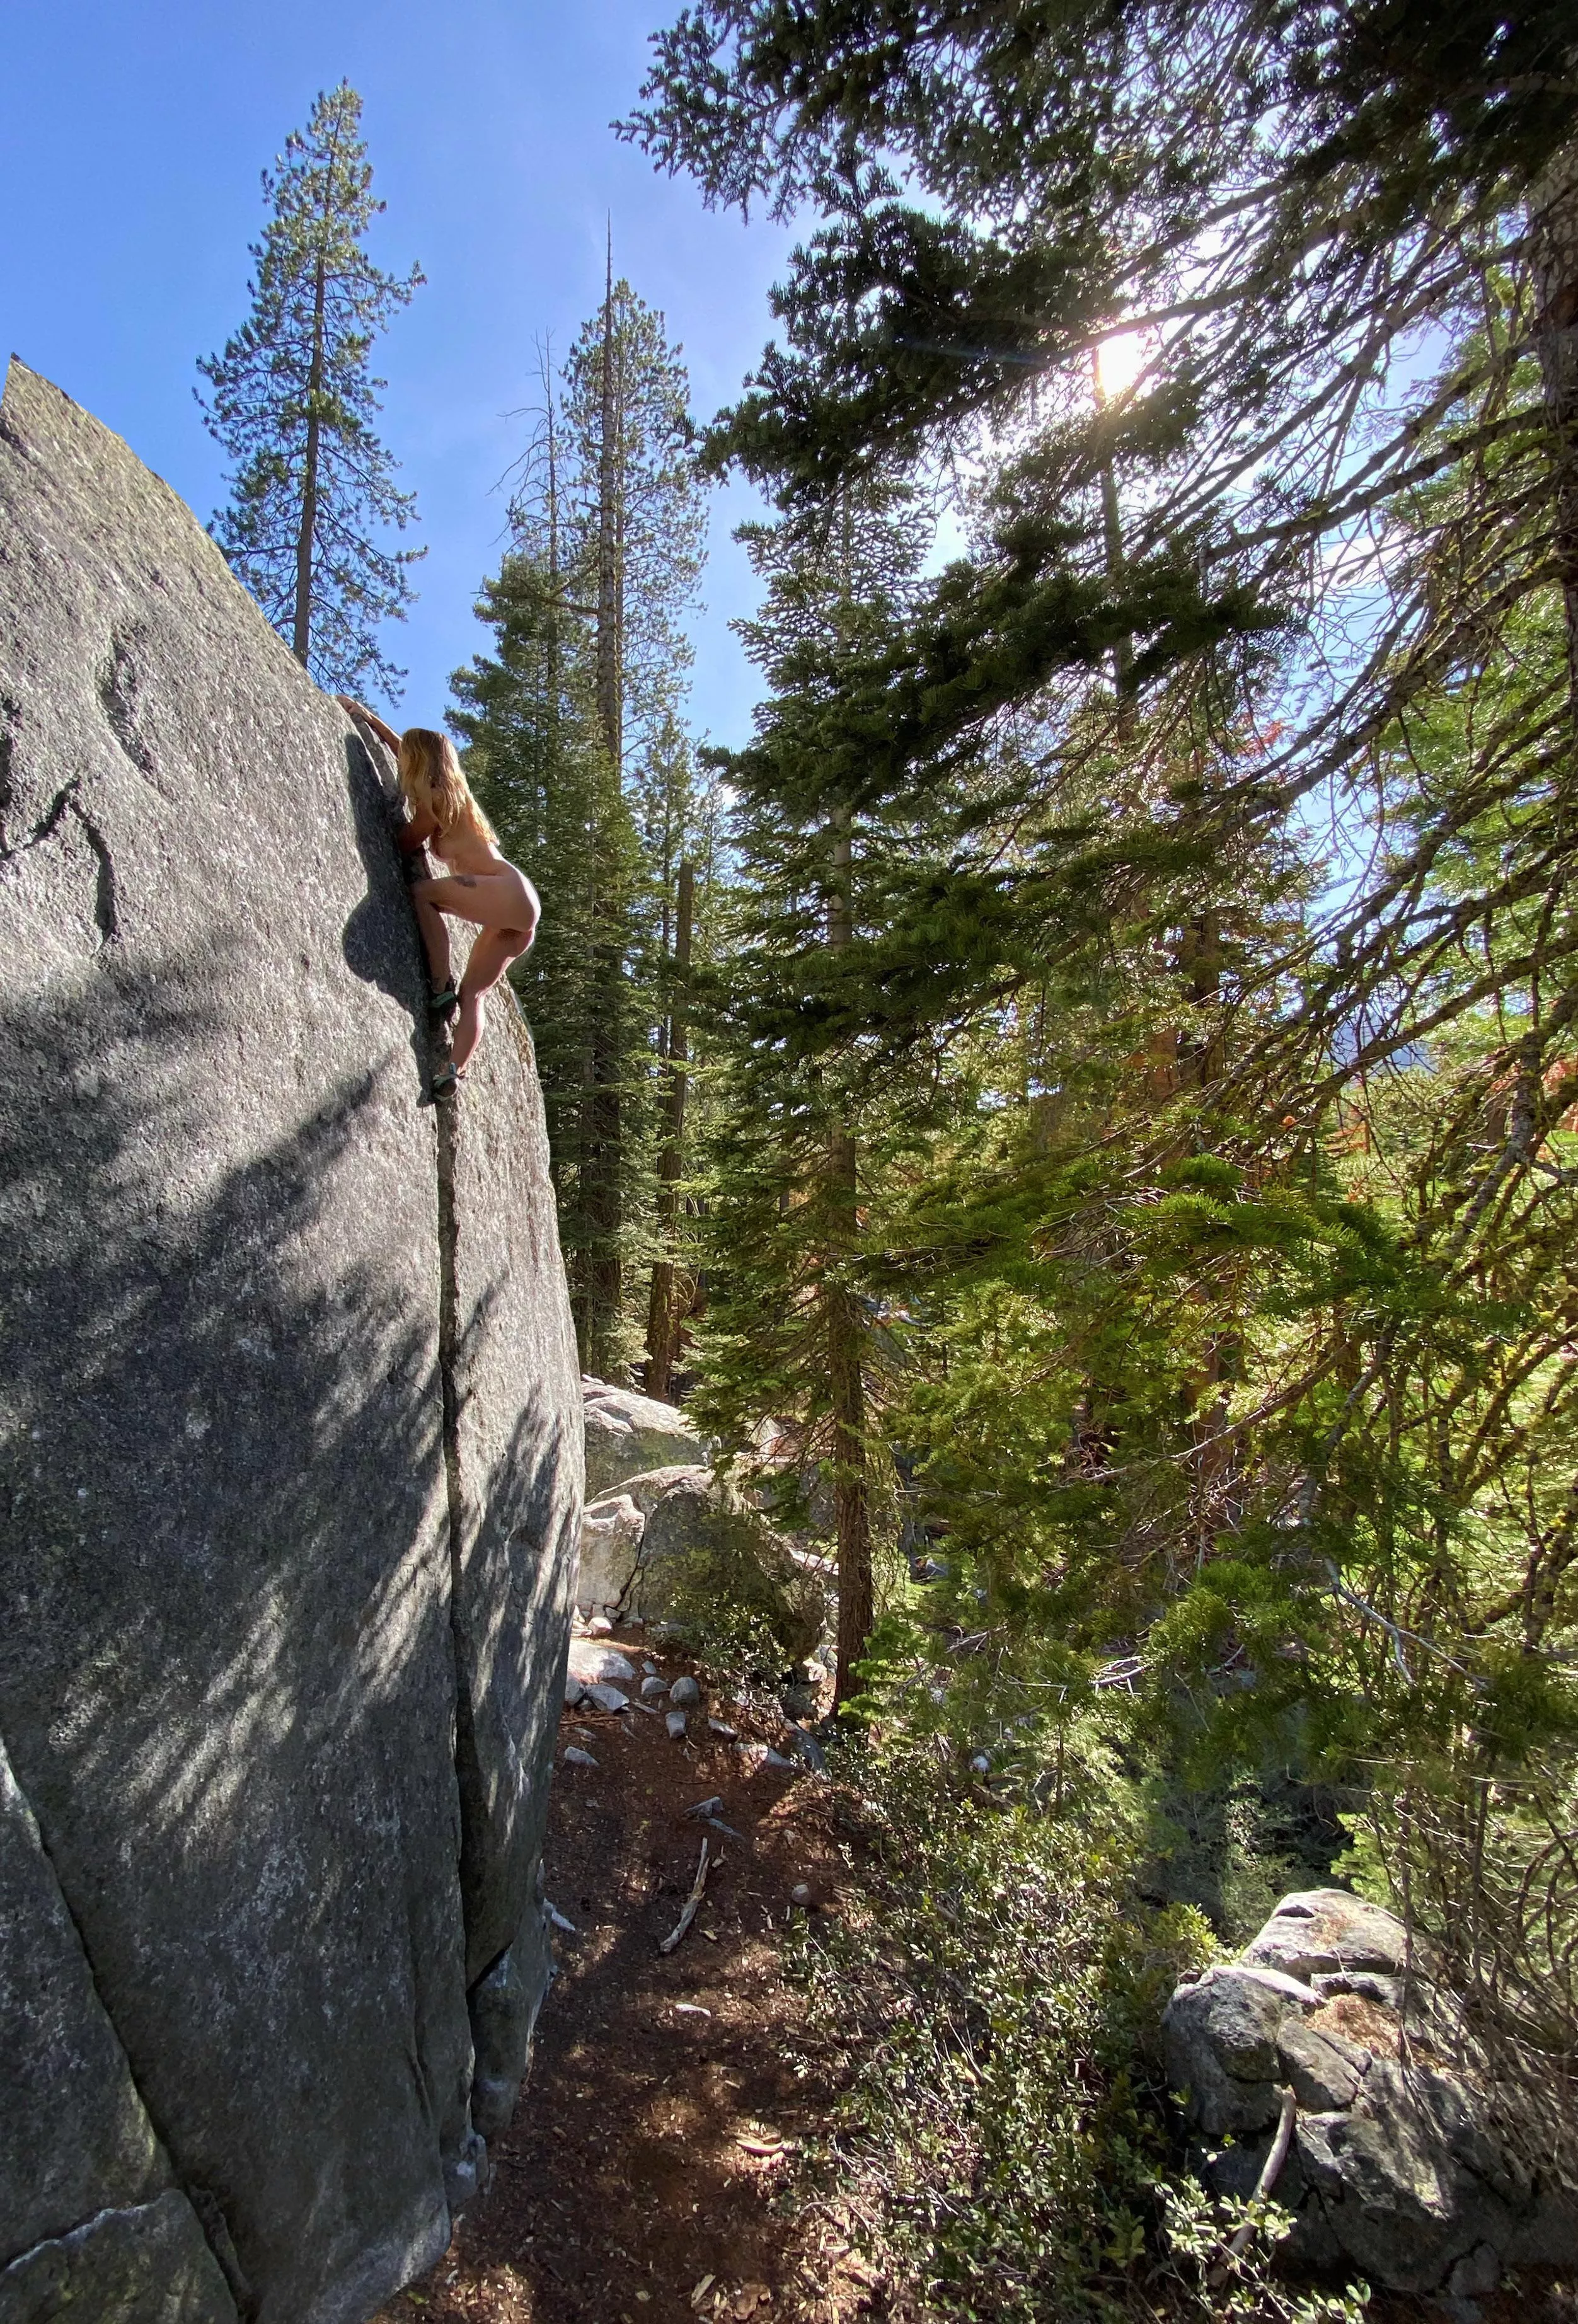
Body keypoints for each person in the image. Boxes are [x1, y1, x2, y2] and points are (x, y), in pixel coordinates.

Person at [340, 701, 538, 1096]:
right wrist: (367, 717)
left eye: (411, 758)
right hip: (516, 907)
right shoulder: (453, 792)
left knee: (422, 895)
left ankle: (439, 982)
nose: (403, 762)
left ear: (423, 762)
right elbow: (402, 748)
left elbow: (409, 840)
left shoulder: (437, 796)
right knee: (474, 995)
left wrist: (377, 832)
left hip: (507, 891)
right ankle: (452, 1072)